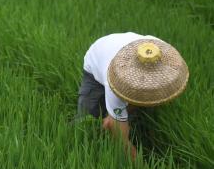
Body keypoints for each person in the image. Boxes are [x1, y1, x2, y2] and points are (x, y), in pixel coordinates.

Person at [77, 32, 188, 160]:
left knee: (125, 116)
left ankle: (115, 117)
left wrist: (115, 116)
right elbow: (122, 143)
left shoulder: (166, 53)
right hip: (97, 59)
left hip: (118, 46)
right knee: (86, 119)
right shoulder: (115, 82)